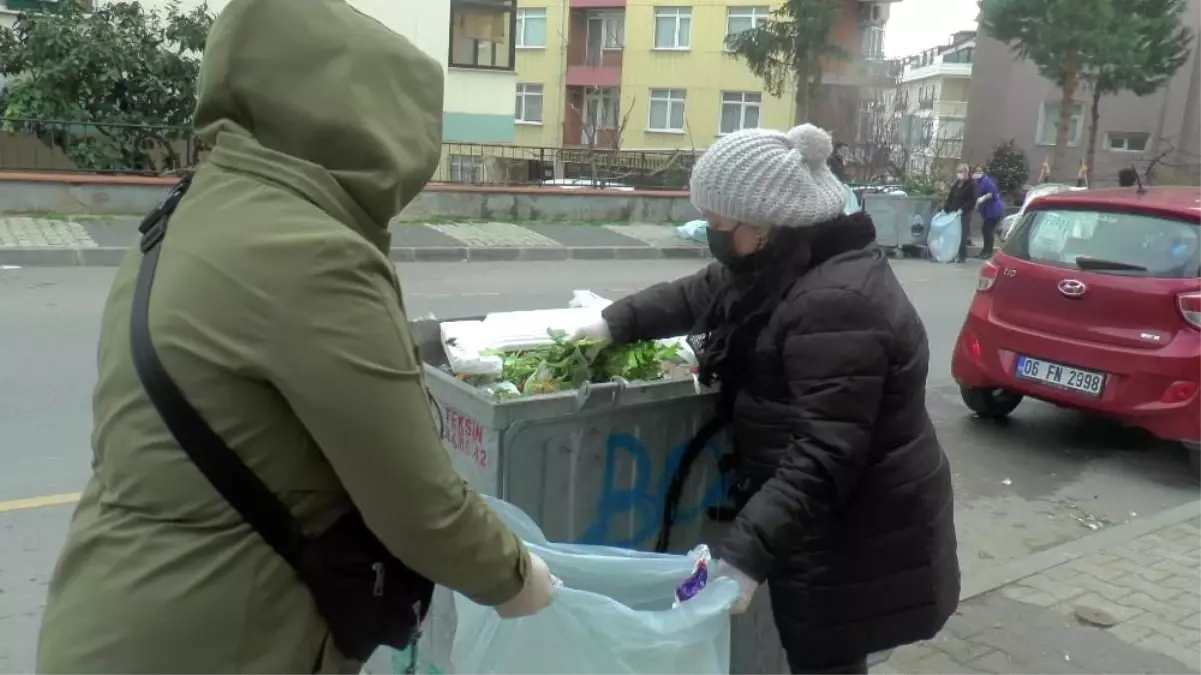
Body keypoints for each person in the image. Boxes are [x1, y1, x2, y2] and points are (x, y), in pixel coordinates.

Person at [36, 1, 556, 674]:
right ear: (374, 123)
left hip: (111, 607)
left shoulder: (187, 213)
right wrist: (518, 579)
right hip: (222, 632)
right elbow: (419, 505)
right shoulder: (313, 254)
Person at [574, 124, 959, 675]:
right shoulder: (787, 263)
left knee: (827, 659)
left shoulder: (834, 303)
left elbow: (826, 454)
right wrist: (611, 324)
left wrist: (745, 555)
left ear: (765, 226)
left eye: (717, 222)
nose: (711, 232)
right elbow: (702, 291)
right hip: (826, 524)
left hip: (857, 533)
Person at [943, 162, 978, 263]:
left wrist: (963, 209)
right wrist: (946, 208)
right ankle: (952, 254)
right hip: (953, 213)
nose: (959, 174)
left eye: (961, 172)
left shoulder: (971, 184)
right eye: (958, 172)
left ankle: (962, 256)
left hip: (964, 213)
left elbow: (972, 199)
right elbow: (951, 197)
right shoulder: (957, 184)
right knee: (953, 234)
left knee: (962, 234)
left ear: (966, 172)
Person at [972, 165, 1005, 257]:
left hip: (994, 210)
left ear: (983, 172)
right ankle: (985, 251)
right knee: (986, 230)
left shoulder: (986, 181)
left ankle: (987, 252)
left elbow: (992, 192)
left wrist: (983, 198)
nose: (977, 173)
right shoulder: (977, 182)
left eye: (979, 171)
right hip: (988, 211)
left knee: (987, 230)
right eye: (976, 171)